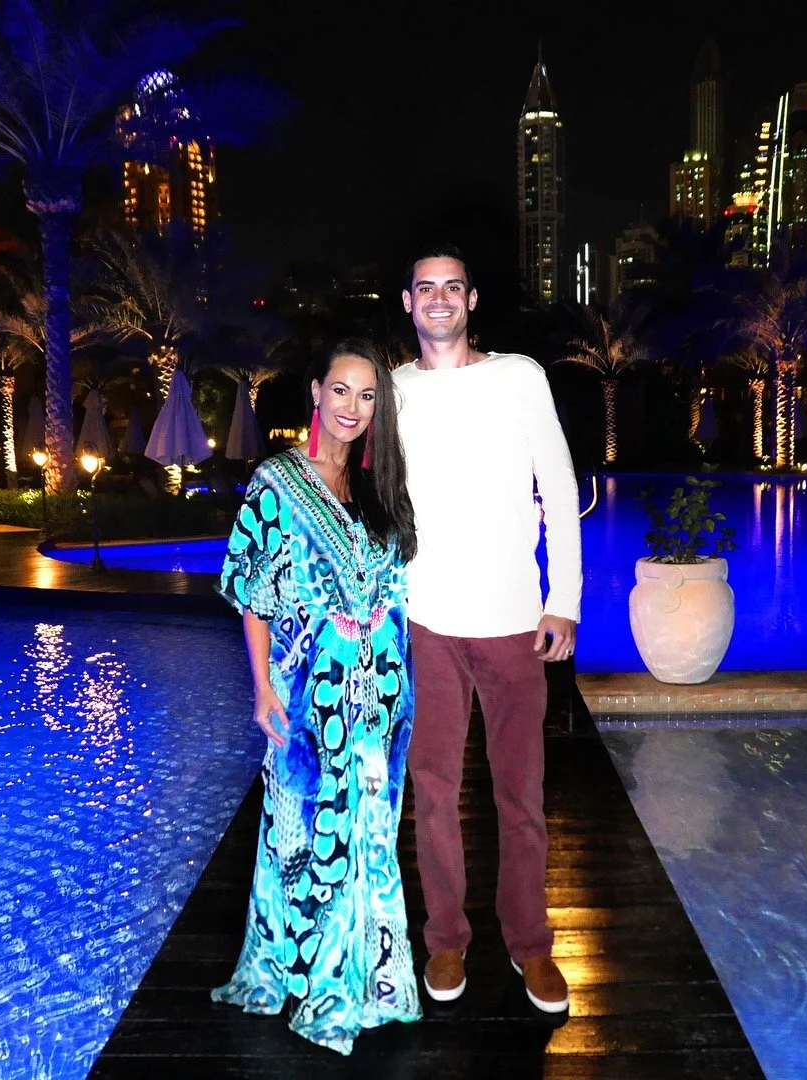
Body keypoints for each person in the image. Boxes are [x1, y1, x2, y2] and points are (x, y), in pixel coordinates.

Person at [211, 338, 422, 1055]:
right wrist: (262, 688)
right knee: (305, 829)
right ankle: (311, 972)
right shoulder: (275, 482)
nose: (351, 408)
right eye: (341, 390)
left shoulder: (379, 486)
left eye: (367, 395)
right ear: (315, 392)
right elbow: (254, 595)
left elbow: (396, 587)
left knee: (371, 832)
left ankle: (370, 978)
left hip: (383, 697)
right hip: (308, 696)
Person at [393, 244, 582, 1014]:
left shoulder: (519, 377)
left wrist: (563, 598)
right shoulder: (393, 389)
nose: (439, 298)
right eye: (425, 288)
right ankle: (445, 936)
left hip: (512, 621)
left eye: (452, 287)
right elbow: (341, 467)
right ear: (407, 302)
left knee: (520, 794)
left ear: (471, 300)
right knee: (433, 791)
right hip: (424, 622)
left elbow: (559, 485)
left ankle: (529, 943)